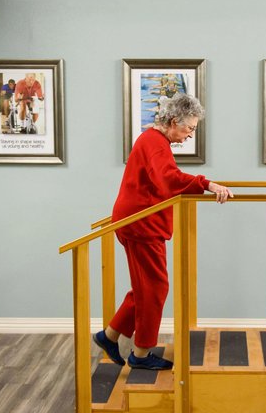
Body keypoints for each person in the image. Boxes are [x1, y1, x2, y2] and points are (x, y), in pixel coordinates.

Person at [93, 93, 233, 370]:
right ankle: (141, 354)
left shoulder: (152, 140)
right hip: (141, 224)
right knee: (155, 288)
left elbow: (161, 180)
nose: (191, 134)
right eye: (189, 128)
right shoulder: (155, 143)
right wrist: (207, 184)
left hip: (136, 221)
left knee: (145, 287)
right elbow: (168, 179)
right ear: (173, 122)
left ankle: (109, 336)